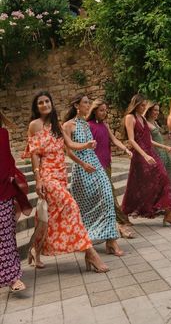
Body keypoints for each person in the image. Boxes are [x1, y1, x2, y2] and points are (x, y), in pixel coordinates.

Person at [23, 91, 109, 273]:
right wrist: (38, 179)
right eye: (41, 102)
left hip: (61, 175)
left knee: (49, 218)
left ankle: (35, 251)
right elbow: (34, 154)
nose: (45, 104)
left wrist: (85, 146)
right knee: (71, 206)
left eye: (47, 101)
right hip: (46, 176)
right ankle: (90, 252)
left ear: (52, 104)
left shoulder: (57, 125)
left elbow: (69, 145)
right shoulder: (34, 125)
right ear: (36, 107)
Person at [63, 93, 123, 256]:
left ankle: (111, 241)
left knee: (108, 196)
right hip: (82, 167)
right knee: (85, 206)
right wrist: (84, 156)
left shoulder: (86, 124)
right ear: (77, 105)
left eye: (89, 103)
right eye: (85, 103)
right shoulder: (68, 125)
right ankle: (85, 238)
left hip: (95, 163)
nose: (88, 106)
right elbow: (69, 150)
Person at [121, 94, 171, 227]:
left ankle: (168, 215)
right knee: (135, 185)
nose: (144, 108)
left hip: (150, 153)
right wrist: (144, 155)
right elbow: (131, 140)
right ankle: (124, 213)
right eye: (142, 105)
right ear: (135, 104)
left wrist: (164, 146)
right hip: (140, 156)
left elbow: (148, 139)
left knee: (165, 179)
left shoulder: (142, 118)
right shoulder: (129, 117)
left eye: (144, 105)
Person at [87, 98, 134, 238]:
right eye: (101, 110)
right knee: (109, 194)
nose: (104, 112)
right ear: (94, 111)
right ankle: (120, 224)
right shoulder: (88, 126)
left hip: (107, 164)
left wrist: (125, 149)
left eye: (105, 110)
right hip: (96, 166)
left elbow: (114, 140)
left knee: (108, 194)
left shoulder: (105, 125)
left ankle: (115, 224)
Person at [0, 110, 32, 292]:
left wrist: (11, 177)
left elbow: (5, 160)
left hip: (3, 191)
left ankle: (13, 277)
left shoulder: (3, 134)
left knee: (5, 235)